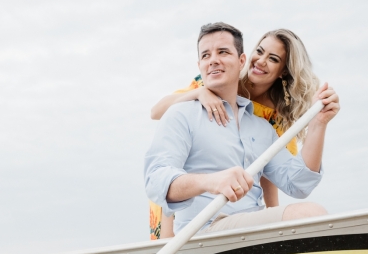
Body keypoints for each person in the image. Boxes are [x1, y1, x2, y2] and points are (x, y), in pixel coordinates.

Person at [144, 22, 340, 235]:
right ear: (199, 64)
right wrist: (210, 182)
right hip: (202, 230)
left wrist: (318, 124)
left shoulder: (265, 126)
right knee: (309, 216)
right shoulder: (183, 111)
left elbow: (299, 184)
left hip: (246, 226)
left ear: (241, 61)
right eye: (206, 55)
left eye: (223, 52)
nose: (214, 61)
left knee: (309, 217)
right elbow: (157, 180)